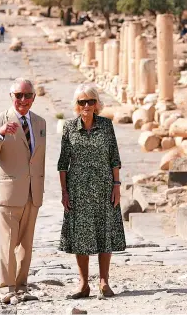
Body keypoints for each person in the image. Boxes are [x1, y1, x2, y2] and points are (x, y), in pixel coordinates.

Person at [0, 78, 46, 304]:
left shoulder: (40, 122)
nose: (23, 100)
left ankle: (22, 286)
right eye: (18, 95)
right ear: (11, 97)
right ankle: (6, 288)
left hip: (32, 192)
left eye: (28, 95)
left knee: (26, 245)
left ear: (34, 98)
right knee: (7, 244)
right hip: (7, 194)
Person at [57, 84, 125, 299]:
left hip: (104, 188)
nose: (86, 105)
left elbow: (114, 157)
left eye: (90, 101)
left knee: (105, 232)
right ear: (76, 105)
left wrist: (117, 185)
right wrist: (64, 192)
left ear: (97, 104)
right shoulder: (68, 127)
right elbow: (62, 163)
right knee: (80, 237)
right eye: (82, 102)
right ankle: (83, 284)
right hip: (77, 190)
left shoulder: (106, 125)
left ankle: (104, 282)